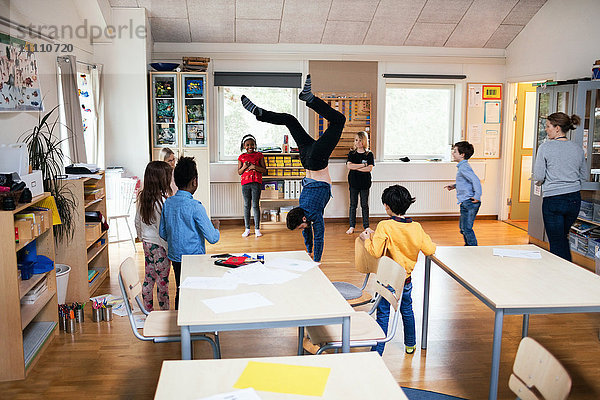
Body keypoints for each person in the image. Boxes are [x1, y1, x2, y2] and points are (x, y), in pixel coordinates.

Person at [241, 75, 345, 262]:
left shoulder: (312, 213)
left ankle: (309, 99)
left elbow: (318, 235)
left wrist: (316, 260)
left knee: (339, 121)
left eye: (300, 227)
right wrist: (308, 249)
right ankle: (260, 113)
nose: (302, 230)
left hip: (315, 161)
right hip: (306, 158)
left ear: (303, 219)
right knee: (289, 120)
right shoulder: (302, 206)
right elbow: (308, 233)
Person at [359, 185, 436, 355]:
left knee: (383, 313)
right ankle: (410, 344)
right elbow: (430, 249)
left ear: (387, 206)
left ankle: (377, 351)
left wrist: (366, 239)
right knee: (406, 310)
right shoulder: (416, 227)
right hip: (405, 280)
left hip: (387, 280)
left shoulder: (384, 226)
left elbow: (375, 251)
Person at [159, 156, 220, 309]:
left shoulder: (168, 203)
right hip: (194, 260)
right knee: (195, 291)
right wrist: (216, 228)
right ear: (194, 181)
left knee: (181, 289)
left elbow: (162, 233)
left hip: (176, 258)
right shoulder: (196, 206)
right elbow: (212, 238)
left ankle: (180, 322)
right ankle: (195, 321)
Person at [533, 112, 586, 261]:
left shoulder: (545, 147)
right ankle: (567, 273)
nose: (546, 129)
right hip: (574, 199)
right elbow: (584, 175)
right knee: (563, 238)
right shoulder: (577, 148)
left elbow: (539, 176)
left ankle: (560, 278)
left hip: (554, 200)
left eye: (548, 126)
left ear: (557, 128)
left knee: (557, 242)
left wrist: (541, 182)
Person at [134, 161, 173, 311]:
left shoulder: (143, 197)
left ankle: (147, 312)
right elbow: (162, 229)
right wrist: (168, 249)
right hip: (160, 246)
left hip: (147, 244)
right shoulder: (162, 201)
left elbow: (137, 221)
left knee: (149, 279)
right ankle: (164, 313)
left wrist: (141, 237)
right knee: (163, 282)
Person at [444, 141, 482, 246]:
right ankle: (468, 246)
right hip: (465, 202)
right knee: (463, 228)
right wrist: (454, 186)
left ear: (462, 155)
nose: (453, 153)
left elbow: (475, 181)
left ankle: (472, 248)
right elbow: (465, 182)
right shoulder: (462, 167)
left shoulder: (464, 167)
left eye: (455, 151)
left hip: (470, 202)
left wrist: (477, 196)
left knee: (467, 228)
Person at [238, 134, 267, 237]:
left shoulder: (259, 155)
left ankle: (257, 229)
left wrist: (255, 167)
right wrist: (245, 166)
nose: (250, 147)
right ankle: (247, 229)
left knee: (255, 205)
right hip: (245, 184)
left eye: (252, 144)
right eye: (247, 145)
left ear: (255, 145)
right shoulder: (241, 157)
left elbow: (264, 170)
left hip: (256, 183)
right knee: (247, 205)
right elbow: (239, 172)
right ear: (244, 146)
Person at [346, 131, 375, 235]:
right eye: (356, 140)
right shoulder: (352, 153)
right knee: (353, 205)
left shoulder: (369, 154)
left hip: (365, 184)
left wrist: (356, 167)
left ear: (364, 141)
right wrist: (363, 165)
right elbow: (349, 166)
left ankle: (366, 226)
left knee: (364, 205)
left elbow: (369, 169)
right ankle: (352, 226)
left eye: (359, 140)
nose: (357, 142)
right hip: (353, 183)